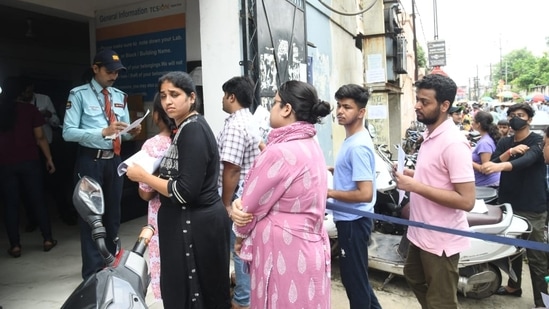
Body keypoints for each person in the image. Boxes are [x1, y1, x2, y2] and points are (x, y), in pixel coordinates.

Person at [126, 71, 230, 309]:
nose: (167, 102)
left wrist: (143, 176)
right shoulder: (183, 128)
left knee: (201, 296)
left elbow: (185, 191)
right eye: (163, 96)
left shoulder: (193, 130)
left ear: (191, 97)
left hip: (198, 227)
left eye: (175, 94)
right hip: (189, 225)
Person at [231, 80, 331, 308]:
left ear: (287, 109)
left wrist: (239, 235)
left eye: (275, 102)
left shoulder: (279, 152)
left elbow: (249, 208)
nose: (271, 108)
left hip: (283, 252)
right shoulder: (311, 145)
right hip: (310, 247)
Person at [393, 74, 476, 309]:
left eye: (425, 102)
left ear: (444, 106)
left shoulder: (453, 143)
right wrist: (411, 174)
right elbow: (437, 179)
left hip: (440, 239)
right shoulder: (429, 135)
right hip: (420, 232)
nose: (417, 106)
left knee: (442, 301)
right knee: (413, 276)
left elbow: (467, 200)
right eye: (417, 100)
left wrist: (414, 186)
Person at [62, 49, 141, 280]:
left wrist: (130, 131)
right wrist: (102, 132)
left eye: (117, 72)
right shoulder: (78, 95)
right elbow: (68, 132)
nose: (114, 76)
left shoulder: (120, 96)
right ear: (95, 69)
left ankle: (111, 264)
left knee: (113, 216)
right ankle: (93, 272)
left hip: (113, 161)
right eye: (109, 71)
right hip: (90, 161)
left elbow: (122, 135)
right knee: (91, 217)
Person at [481, 103, 548, 308]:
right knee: (512, 251)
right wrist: (508, 152)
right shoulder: (505, 141)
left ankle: (543, 302)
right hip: (508, 204)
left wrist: (502, 165)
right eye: (511, 115)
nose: (514, 118)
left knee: (537, 258)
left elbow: (528, 160)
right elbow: (490, 162)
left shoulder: (537, 140)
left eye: (520, 115)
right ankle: (514, 286)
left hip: (533, 206)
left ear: (529, 119)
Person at [327, 84, 381, 309]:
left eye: (347, 107)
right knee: (357, 278)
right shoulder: (353, 138)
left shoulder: (357, 145)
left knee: (354, 282)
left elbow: (365, 194)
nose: (340, 111)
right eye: (339, 105)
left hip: (353, 222)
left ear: (361, 112)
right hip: (352, 221)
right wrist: (335, 171)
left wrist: (327, 192)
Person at [0, 77, 58, 258]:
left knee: (10, 205)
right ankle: (47, 239)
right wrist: (49, 159)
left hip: (5, 164)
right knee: (37, 200)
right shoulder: (29, 110)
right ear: (21, 92)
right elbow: (40, 137)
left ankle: (15, 245)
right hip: (29, 162)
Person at [217, 76, 261, 309]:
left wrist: (225, 204)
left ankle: (243, 301)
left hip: (237, 199)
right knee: (245, 249)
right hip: (249, 195)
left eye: (224, 95)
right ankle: (248, 294)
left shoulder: (235, 125)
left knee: (239, 250)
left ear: (231, 97)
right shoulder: (251, 121)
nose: (222, 100)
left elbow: (232, 168)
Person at [135, 93, 174, 301]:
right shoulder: (186, 138)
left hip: (160, 215)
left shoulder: (152, 145)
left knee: (164, 264)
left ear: (157, 116)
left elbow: (146, 193)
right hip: (186, 214)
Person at [471, 111, 501, 187]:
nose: (472, 123)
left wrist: (467, 161)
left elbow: (486, 169)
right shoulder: (485, 138)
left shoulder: (484, 143)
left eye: (473, 121)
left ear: (478, 124)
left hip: (487, 184)